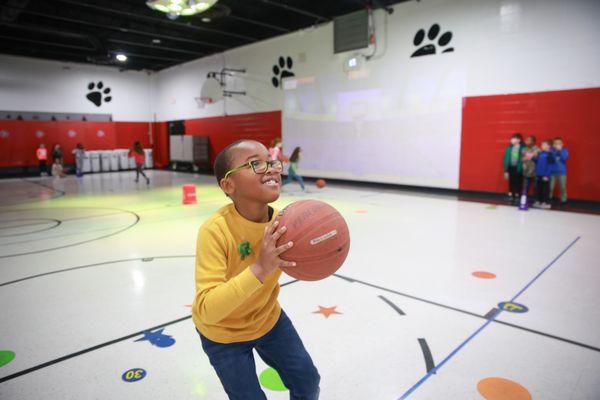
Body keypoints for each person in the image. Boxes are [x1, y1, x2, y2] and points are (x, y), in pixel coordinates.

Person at [192, 140, 320, 400]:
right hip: (222, 334)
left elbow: (311, 256)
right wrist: (260, 268)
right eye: (255, 163)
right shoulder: (215, 230)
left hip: (267, 319)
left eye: (271, 162)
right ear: (228, 185)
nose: (271, 168)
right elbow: (208, 308)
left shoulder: (286, 223)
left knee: (308, 383)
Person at [533, 140, 554, 209]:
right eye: (542, 145)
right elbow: (537, 161)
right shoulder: (540, 153)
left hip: (545, 176)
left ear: (548, 146)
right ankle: (539, 201)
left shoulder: (550, 154)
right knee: (539, 189)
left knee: (545, 190)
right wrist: (532, 157)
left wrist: (547, 175)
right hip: (539, 174)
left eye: (544, 145)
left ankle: (546, 202)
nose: (542, 146)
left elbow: (550, 166)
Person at [502, 133, 524, 204]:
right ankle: (511, 194)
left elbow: (523, 158)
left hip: (518, 168)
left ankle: (517, 195)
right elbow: (505, 158)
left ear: (519, 140)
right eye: (512, 138)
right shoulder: (509, 148)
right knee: (511, 181)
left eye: (514, 138)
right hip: (510, 167)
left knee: (518, 182)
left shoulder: (522, 148)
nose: (512, 140)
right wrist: (506, 169)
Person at [550, 137, 569, 204]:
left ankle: (563, 200)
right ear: (553, 145)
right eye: (555, 143)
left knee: (562, 187)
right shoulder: (551, 151)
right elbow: (550, 159)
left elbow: (564, 158)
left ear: (562, 144)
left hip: (562, 172)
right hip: (552, 172)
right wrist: (555, 151)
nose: (557, 145)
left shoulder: (565, 151)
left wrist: (559, 151)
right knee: (550, 187)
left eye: (559, 143)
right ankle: (549, 199)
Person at [521, 135, 540, 202]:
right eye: (526, 140)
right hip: (526, 171)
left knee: (536, 187)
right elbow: (521, 159)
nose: (526, 141)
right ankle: (524, 200)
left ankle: (536, 200)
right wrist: (525, 158)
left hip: (535, 171)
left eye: (528, 140)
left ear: (533, 142)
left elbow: (539, 160)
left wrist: (530, 156)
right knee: (525, 187)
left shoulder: (538, 149)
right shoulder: (524, 149)